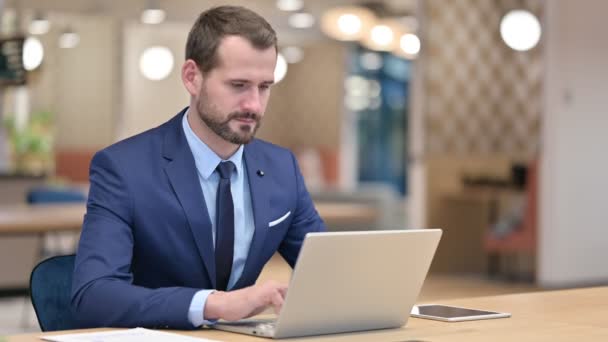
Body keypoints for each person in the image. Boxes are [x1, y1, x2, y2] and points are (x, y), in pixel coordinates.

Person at [71, 5, 326, 329]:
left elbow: (326, 274)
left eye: (264, 87)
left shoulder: (281, 168)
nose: (254, 105)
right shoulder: (123, 169)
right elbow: (93, 295)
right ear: (192, 77)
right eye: (238, 85)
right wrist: (214, 304)